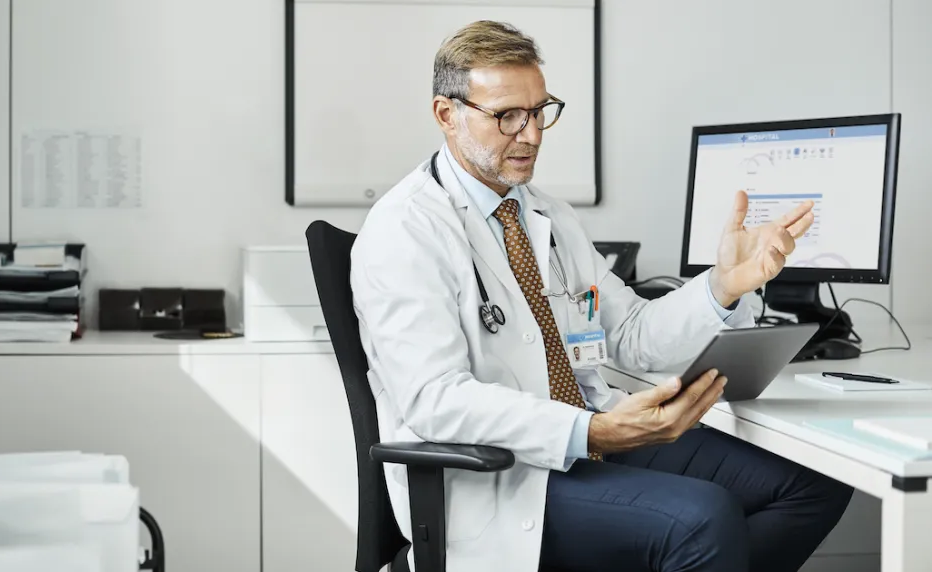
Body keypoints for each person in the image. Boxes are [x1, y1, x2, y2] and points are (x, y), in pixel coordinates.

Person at [349, 20, 853, 572]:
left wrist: (723, 284)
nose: (533, 133)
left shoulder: (546, 215)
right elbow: (434, 399)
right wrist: (589, 430)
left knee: (814, 485)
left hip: (593, 439)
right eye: (507, 116)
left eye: (540, 111)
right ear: (447, 115)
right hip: (498, 480)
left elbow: (632, 336)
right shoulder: (404, 228)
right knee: (703, 519)